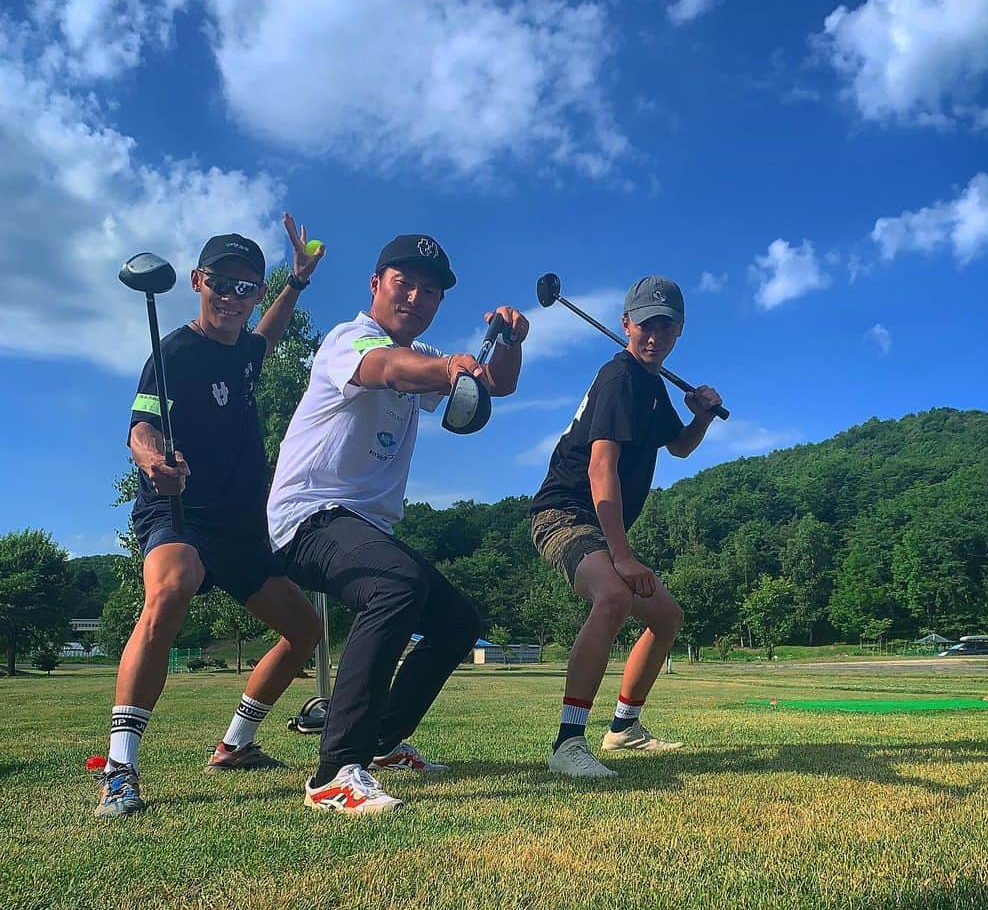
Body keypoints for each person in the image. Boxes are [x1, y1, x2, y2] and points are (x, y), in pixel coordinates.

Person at [267, 234, 529, 816]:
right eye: (403, 283)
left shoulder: (424, 355)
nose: (415, 296)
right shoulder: (348, 339)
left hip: (364, 529)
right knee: (396, 586)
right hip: (307, 518)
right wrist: (444, 368)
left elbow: (497, 385)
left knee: (458, 622)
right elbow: (385, 368)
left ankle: (381, 743)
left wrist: (508, 343)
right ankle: (335, 772)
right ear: (376, 285)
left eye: (429, 290)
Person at [94, 216, 326, 818]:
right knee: (172, 587)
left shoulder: (245, 348)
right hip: (180, 510)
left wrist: (295, 284)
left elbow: (266, 340)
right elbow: (139, 427)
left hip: (240, 523)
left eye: (246, 288)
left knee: (305, 630)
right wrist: (153, 462)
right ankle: (121, 766)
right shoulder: (174, 353)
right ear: (198, 281)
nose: (232, 298)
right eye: (221, 284)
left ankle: (235, 745)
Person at [529, 276, 723, 777]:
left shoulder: (653, 388)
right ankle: (568, 745)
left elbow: (678, 446)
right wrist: (622, 554)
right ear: (626, 324)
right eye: (645, 324)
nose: (654, 335)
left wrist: (699, 418)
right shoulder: (619, 379)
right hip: (564, 515)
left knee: (667, 618)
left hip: (600, 524)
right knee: (614, 594)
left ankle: (623, 728)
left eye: (666, 325)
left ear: (679, 331)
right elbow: (601, 469)